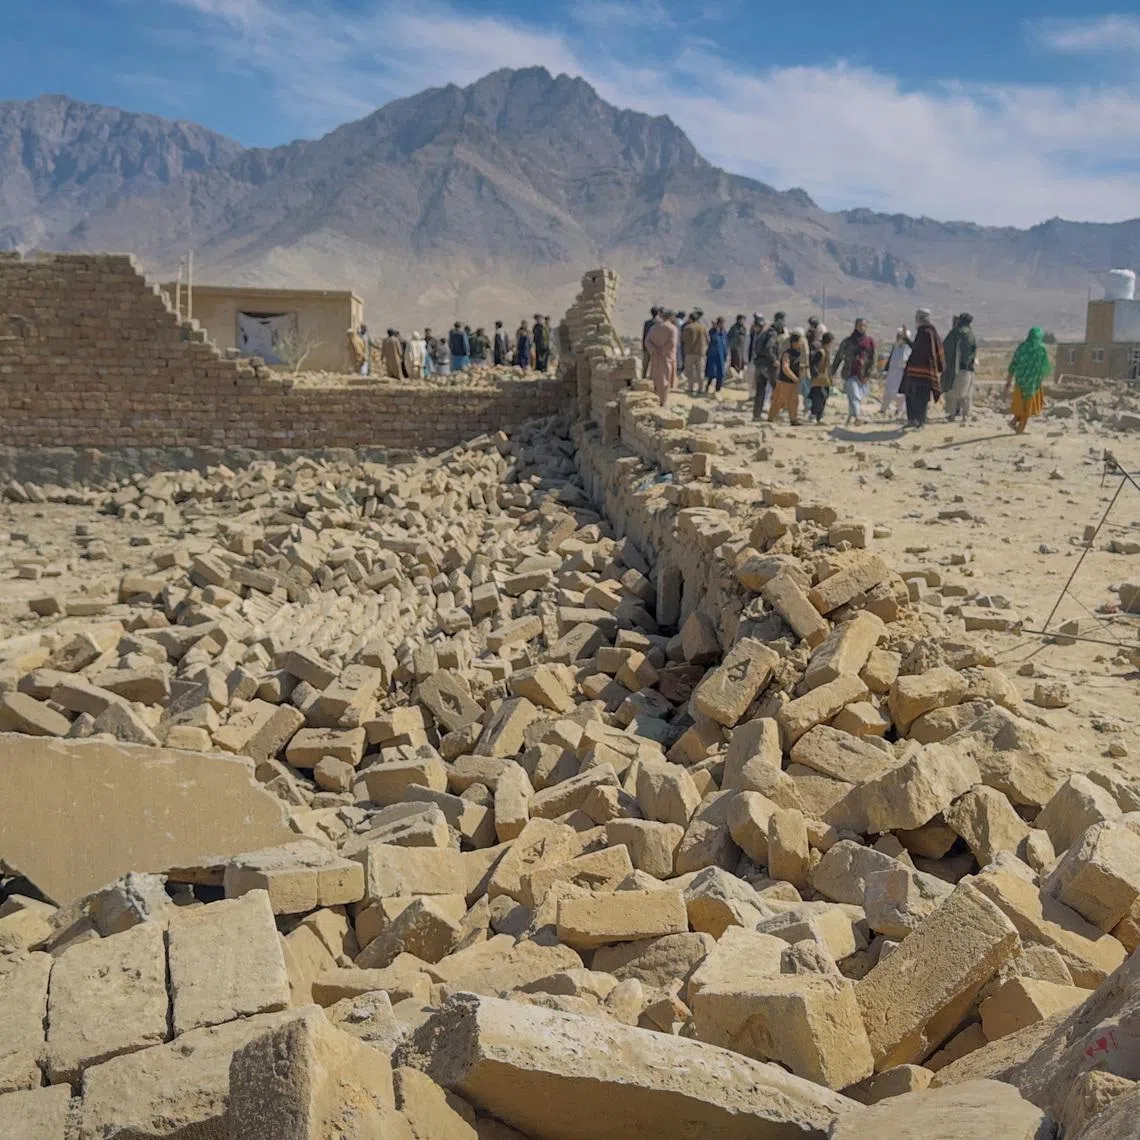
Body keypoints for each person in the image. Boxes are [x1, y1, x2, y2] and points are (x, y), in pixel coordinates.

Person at [901, 308, 945, 428]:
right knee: (911, 395)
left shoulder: (925, 332)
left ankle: (920, 422)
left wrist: (906, 339)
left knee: (920, 397)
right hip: (919, 370)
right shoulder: (930, 332)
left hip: (922, 371)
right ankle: (913, 420)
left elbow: (919, 349)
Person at [1004, 327, 1050, 433]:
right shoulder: (1041, 348)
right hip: (1032, 382)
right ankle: (1021, 428)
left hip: (1020, 380)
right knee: (1027, 404)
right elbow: (1044, 366)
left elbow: (1014, 363)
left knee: (1022, 403)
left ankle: (1014, 421)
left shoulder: (1022, 347)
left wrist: (1009, 380)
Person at [832, 318, 876, 425]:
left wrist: (868, 374)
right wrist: (832, 372)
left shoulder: (869, 341)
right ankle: (856, 417)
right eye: (860, 325)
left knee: (855, 396)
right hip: (849, 373)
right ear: (856, 326)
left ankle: (851, 416)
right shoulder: (847, 342)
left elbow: (873, 358)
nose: (862, 327)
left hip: (863, 374)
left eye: (864, 325)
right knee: (855, 395)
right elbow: (838, 357)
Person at [943, 313, 977, 422]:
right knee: (966, 392)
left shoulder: (956, 332)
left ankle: (952, 415)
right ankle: (965, 415)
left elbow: (945, 346)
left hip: (956, 367)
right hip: (969, 367)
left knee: (953, 391)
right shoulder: (971, 334)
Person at [751, 311, 785, 420]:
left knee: (760, 391)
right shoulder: (772, 334)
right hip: (768, 365)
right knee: (778, 389)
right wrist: (774, 360)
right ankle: (776, 413)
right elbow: (769, 348)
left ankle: (756, 415)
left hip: (759, 364)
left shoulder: (763, 333)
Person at [768, 329, 805, 425]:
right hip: (785, 382)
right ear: (794, 342)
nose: (801, 343)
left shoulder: (799, 354)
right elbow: (785, 368)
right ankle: (771, 418)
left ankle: (793, 420)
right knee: (779, 401)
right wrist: (794, 378)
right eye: (800, 341)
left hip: (793, 383)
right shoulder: (787, 354)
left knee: (794, 401)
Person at [644, 308, 679, 406]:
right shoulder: (672, 328)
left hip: (655, 357)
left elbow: (647, 341)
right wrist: (662, 351)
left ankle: (653, 401)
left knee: (655, 380)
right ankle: (662, 403)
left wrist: (654, 350)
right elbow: (672, 343)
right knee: (664, 382)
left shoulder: (654, 327)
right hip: (666, 358)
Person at [880, 328, 911, 417]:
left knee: (900, 395)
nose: (898, 338)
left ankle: (900, 412)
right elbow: (891, 359)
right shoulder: (895, 346)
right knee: (888, 392)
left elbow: (905, 361)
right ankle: (883, 410)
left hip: (901, 375)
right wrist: (886, 370)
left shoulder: (907, 348)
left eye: (901, 336)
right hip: (892, 373)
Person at [807, 331, 835, 423]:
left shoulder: (826, 351)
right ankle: (813, 415)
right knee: (818, 397)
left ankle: (820, 416)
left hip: (825, 380)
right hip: (819, 380)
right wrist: (816, 374)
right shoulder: (820, 352)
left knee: (824, 397)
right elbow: (814, 364)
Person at [681, 309, 709, 395]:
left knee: (689, 372)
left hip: (689, 352)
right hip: (701, 353)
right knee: (700, 371)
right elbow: (708, 339)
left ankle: (691, 388)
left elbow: (682, 339)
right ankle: (701, 389)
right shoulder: (703, 328)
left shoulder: (687, 328)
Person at [705, 316, 728, 393]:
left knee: (720, 374)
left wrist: (725, 354)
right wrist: (716, 329)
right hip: (713, 355)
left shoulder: (724, 332)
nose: (723, 325)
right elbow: (710, 339)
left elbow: (725, 344)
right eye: (722, 323)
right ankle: (707, 387)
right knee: (711, 372)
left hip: (721, 355)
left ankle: (718, 390)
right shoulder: (712, 331)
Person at [642, 306, 659, 378]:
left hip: (647, 346)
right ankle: (653, 378)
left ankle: (643, 377)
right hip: (656, 346)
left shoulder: (647, 323)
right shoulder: (660, 323)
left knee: (645, 364)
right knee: (654, 364)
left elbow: (644, 335)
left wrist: (643, 346)